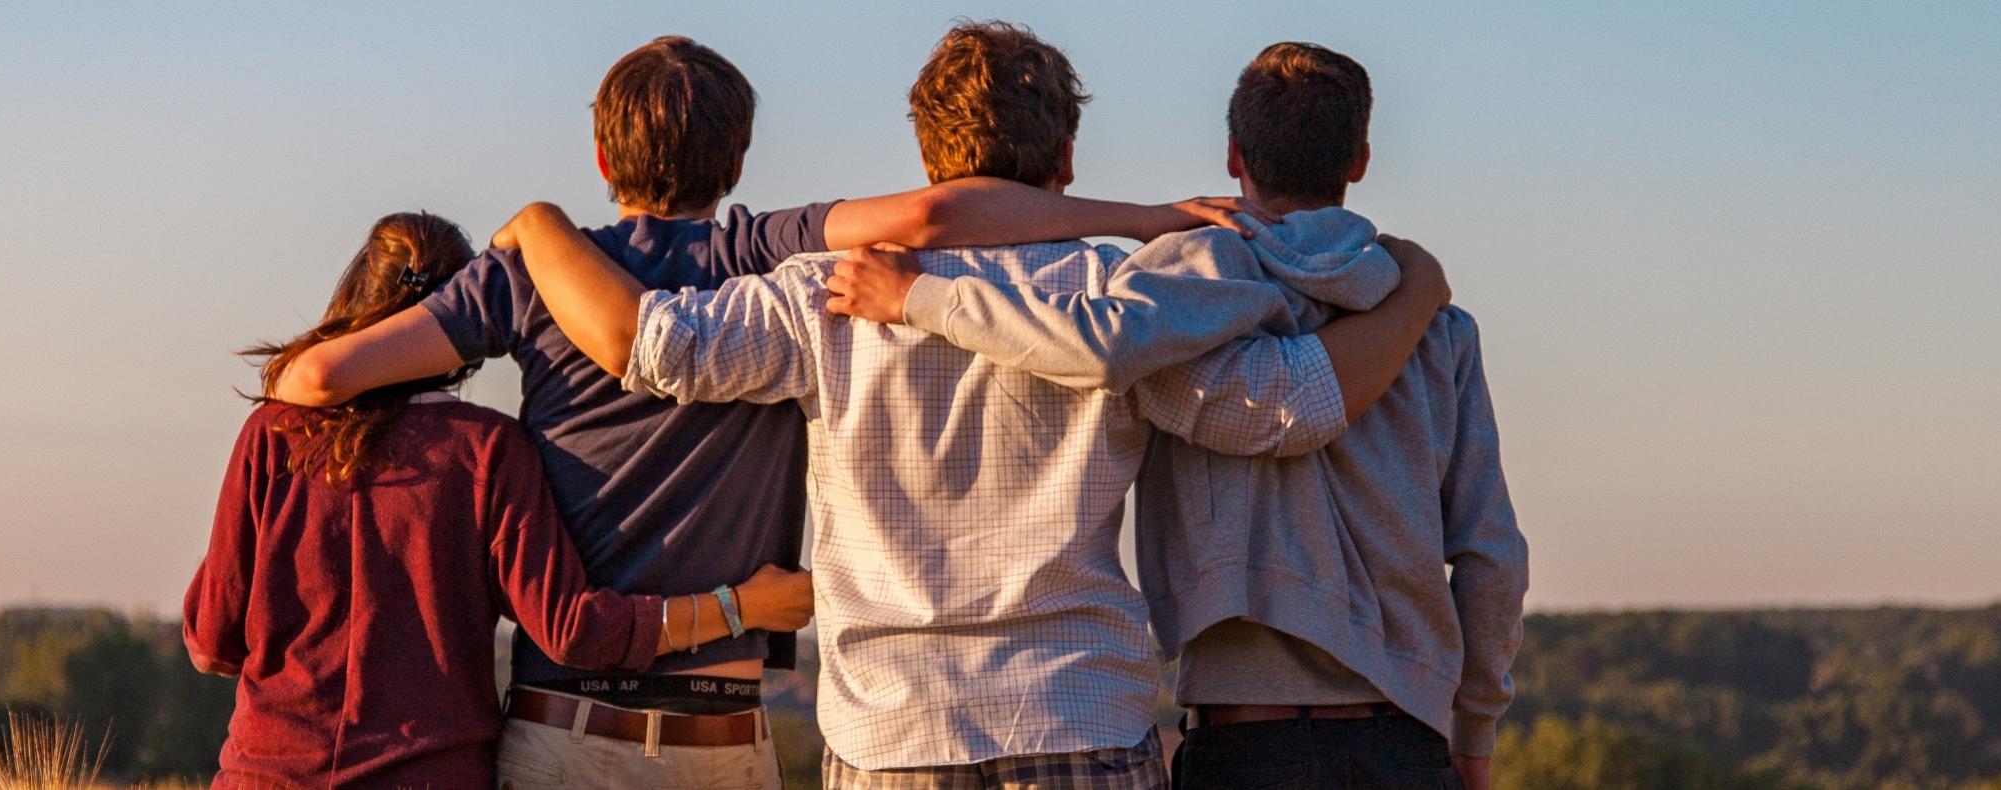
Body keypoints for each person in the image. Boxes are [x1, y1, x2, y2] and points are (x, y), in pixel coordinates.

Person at [264, 36, 1269, 790]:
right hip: (830, 719)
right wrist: (1148, 220)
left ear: (602, 157)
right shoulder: (773, 253)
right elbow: (934, 219)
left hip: (649, 723)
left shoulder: (571, 279)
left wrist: (532, 232)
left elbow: (322, 383)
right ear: (738, 159)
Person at [486, 21, 1453, 789]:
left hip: (891, 735)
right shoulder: (1114, 297)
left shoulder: (826, 291)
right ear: (1067, 158)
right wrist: (1413, 291)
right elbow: (1266, 414)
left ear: (926, 153)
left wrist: (539, 230)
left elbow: (654, 347)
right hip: (1081, 714)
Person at [823, 43, 1529, 790]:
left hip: (1243, 738)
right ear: (1358, 159)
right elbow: (1491, 557)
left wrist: (919, 300)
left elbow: (1103, 345)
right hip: (1408, 737)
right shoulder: (1439, 330)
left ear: (1233, 155)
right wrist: (1474, 732)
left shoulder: (1176, 297)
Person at [181, 212, 817, 790]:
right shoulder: (487, 450)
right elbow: (572, 631)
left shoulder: (274, 434)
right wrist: (743, 605)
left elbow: (213, 643)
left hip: (266, 774)